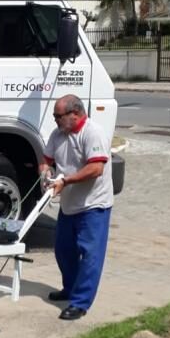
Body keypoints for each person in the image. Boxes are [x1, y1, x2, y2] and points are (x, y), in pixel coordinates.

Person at [39, 94, 113, 321]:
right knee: (63, 250)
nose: (55, 120)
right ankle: (70, 288)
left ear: (75, 113)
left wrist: (65, 181)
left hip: (93, 204)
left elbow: (96, 169)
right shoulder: (58, 134)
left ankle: (80, 303)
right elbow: (46, 159)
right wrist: (45, 173)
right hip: (70, 205)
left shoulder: (92, 133)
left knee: (90, 254)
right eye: (54, 116)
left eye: (58, 116)